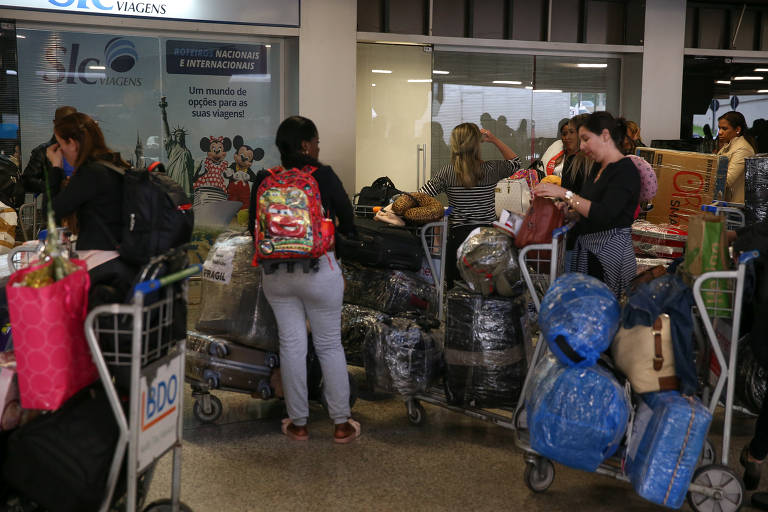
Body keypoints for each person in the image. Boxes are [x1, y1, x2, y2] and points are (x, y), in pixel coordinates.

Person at [247, 116, 360, 443]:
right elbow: (347, 219)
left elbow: (252, 228)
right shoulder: (322, 175)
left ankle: (298, 423)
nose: (319, 148)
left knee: (292, 345)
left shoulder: (265, 179)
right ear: (306, 145)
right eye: (317, 143)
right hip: (319, 272)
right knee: (328, 345)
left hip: (277, 276)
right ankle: (341, 424)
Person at [533, 112, 640, 297]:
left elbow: (605, 213)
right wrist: (571, 214)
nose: (581, 146)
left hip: (610, 258)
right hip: (590, 254)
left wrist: (564, 194)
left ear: (605, 136)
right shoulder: (599, 167)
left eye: (585, 139)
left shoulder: (625, 170)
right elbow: (591, 210)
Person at [46, 112, 138, 303]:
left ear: (72, 143)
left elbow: (52, 212)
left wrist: (55, 167)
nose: (60, 152)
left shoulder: (90, 172)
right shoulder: (115, 166)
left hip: (101, 267)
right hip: (123, 264)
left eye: (60, 145)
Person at [418, 122, 521, 288]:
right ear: (477, 144)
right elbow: (516, 162)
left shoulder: (447, 172)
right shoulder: (490, 169)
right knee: (485, 292)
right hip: (486, 240)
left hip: (458, 240)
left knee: (456, 294)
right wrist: (493, 139)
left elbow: (421, 195)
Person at [23, 106, 77, 198]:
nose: (69, 125)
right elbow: (27, 181)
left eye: (72, 121)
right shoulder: (42, 152)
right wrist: (55, 186)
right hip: (57, 205)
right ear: (55, 123)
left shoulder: (84, 149)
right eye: (64, 121)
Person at [717, 111, 757, 204]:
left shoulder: (743, 149)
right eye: (719, 128)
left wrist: (705, 177)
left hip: (735, 205)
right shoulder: (728, 145)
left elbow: (727, 180)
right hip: (726, 203)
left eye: (724, 128)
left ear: (737, 129)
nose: (720, 132)